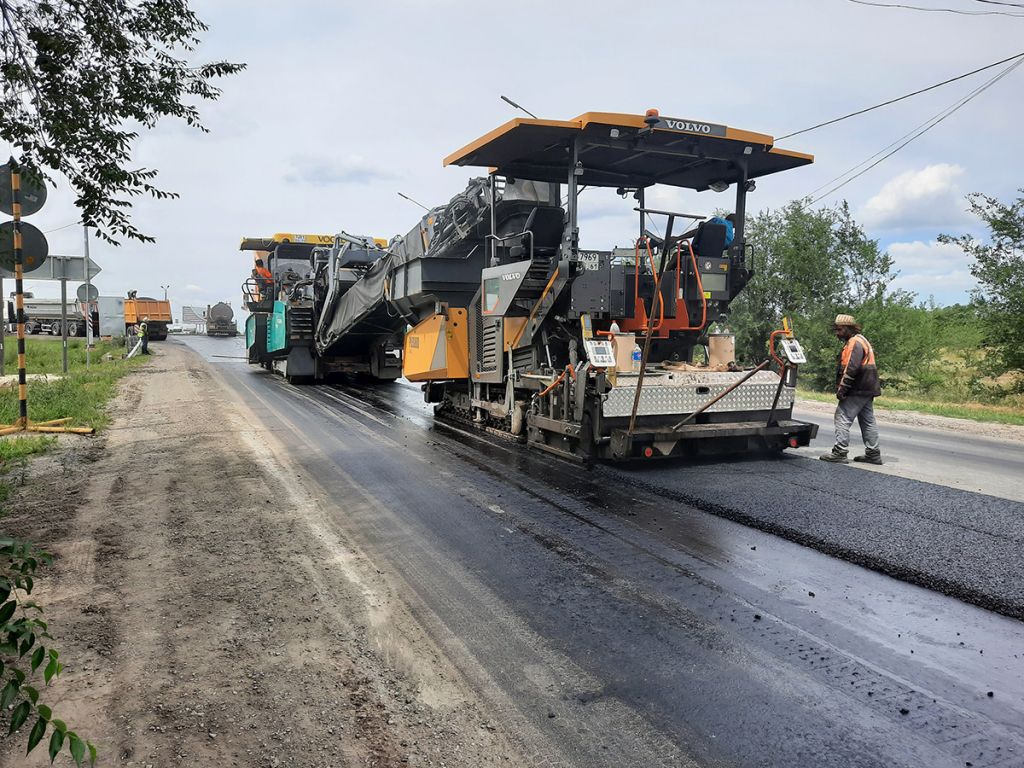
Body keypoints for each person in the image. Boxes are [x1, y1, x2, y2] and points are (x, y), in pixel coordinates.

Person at [820, 314, 882, 464]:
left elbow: (851, 369)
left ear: (848, 328)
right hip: (868, 388)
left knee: (841, 416)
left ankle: (840, 452)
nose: (837, 333)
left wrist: (842, 389)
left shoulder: (855, 343)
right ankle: (873, 454)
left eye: (840, 330)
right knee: (867, 421)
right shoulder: (862, 340)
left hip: (858, 388)